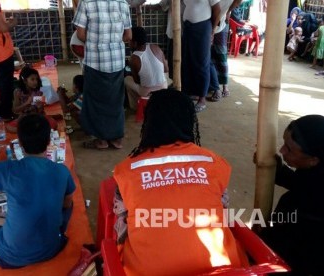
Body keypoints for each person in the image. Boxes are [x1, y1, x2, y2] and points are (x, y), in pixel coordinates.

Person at [112, 89, 245, 275]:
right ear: (190, 121)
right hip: (221, 268)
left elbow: (121, 228)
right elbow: (222, 210)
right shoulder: (214, 162)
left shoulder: (126, 170)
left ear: (149, 123)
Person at [0, 114, 76, 268]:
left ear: (21, 143)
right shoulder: (62, 170)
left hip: (14, 256)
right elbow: (67, 203)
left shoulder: (10, 170)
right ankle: (44, 230)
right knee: (61, 204)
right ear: (49, 141)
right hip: (53, 246)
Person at [260, 115, 324, 275]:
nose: (281, 151)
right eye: (284, 143)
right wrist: (277, 170)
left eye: (289, 149)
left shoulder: (312, 207)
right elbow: (300, 183)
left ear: (313, 160)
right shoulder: (314, 171)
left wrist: (262, 238)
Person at [73, 0, 132, 150]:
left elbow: (80, 34)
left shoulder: (86, 3)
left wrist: (97, 43)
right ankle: (117, 139)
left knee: (95, 101)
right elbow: (128, 35)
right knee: (116, 100)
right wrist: (113, 42)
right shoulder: (122, 3)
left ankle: (101, 141)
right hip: (117, 61)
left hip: (96, 61)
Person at [181, 0, 221, 113]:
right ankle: (191, 92)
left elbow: (217, 10)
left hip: (203, 28)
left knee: (202, 63)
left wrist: (212, 31)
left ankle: (202, 98)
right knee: (188, 61)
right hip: (188, 27)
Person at [124, 26, 168, 111]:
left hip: (147, 92)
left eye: (130, 41)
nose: (128, 43)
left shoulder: (134, 58)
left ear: (135, 43)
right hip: (163, 88)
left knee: (126, 80)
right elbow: (166, 70)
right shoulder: (156, 47)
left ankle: (136, 106)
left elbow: (137, 81)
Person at [207, 0, 242, 101]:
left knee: (221, 54)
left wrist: (228, 11)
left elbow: (238, 1)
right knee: (210, 55)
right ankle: (214, 86)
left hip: (221, 23)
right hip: (210, 20)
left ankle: (224, 86)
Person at [7, 67, 58, 133]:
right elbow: (15, 110)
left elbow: (41, 110)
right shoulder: (17, 92)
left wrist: (40, 106)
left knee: (54, 124)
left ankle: (30, 131)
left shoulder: (39, 92)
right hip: (25, 117)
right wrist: (27, 103)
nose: (35, 82)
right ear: (25, 81)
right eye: (32, 79)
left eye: (36, 79)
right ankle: (34, 130)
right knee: (9, 127)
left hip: (37, 116)